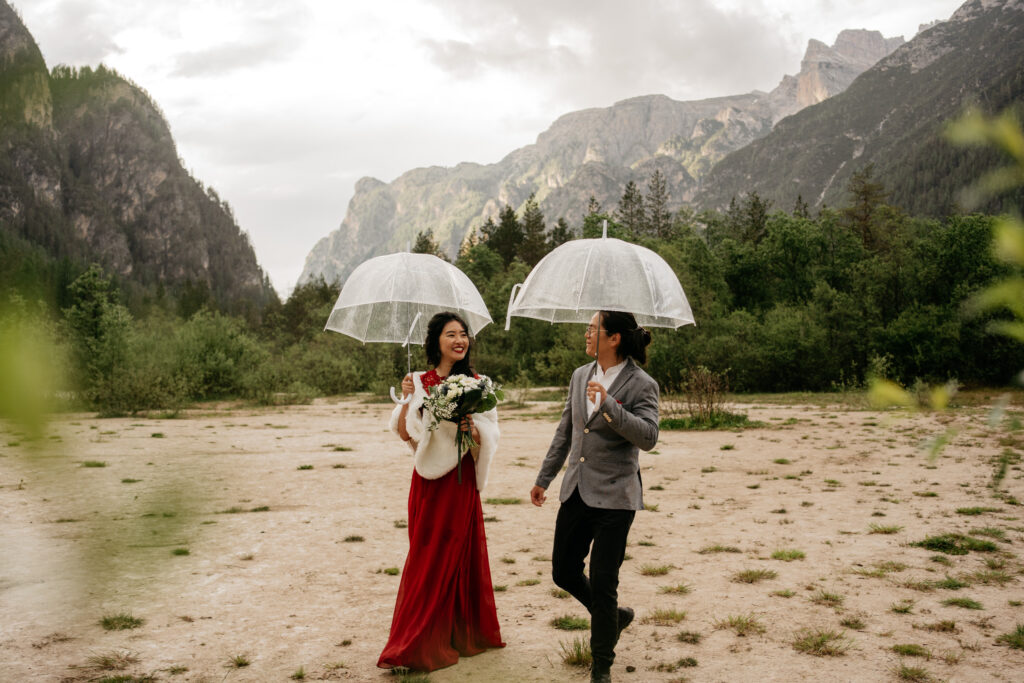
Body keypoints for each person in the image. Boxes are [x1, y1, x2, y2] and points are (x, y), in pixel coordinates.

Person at [530, 310, 658, 683]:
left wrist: (609, 405)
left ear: (614, 338)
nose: (586, 334)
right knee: (563, 571)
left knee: (604, 583)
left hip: (616, 498)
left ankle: (601, 667)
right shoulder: (579, 375)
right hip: (577, 491)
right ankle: (614, 618)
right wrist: (545, 477)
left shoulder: (641, 384)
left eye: (592, 329)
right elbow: (565, 431)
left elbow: (649, 437)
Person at [377, 312, 505, 672]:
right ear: (437, 341)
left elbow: (491, 433)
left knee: (457, 556)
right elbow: (405, 434)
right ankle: (413, 640)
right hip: (429, 483)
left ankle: (455, 633)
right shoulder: (418, 381)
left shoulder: (479, 383)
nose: (459, 340)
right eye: (451, 334)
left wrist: (472, 429)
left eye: (463, 334)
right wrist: (405, 400)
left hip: (461, 481)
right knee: (426, 558)